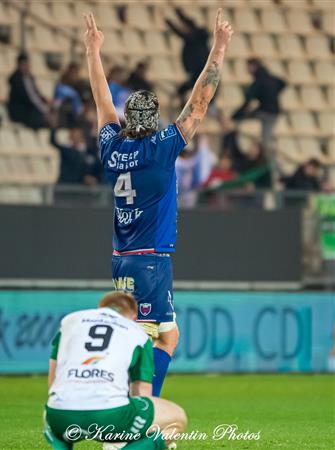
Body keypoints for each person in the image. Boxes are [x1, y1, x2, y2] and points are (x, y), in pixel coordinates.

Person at [84, 10, 233, 396]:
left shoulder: (111, 147)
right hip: (151, 260)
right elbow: (200, 101)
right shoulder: (161, 148)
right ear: (154, 121)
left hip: (121, 256)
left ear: (128, 118)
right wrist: (218, 47)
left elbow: (102, 102)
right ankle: (139, 408)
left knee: (158, 335)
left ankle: (130, 403)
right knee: (157, 341)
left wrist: (93, 52)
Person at [44, 291, 187, 450]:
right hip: (110, 416)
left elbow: (53, 379)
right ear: (134, 317)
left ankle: (56, 438)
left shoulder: (70, 321)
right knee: (178, 419)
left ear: (100, 308)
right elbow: (142, 394)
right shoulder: (138, 333)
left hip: (60, 416)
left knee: (52, 413)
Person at [232, 58, 286, 148]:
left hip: (266, 112)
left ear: (253, 66)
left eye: (248, 67)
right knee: (266, 137)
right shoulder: (271, 78)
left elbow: (247, 102)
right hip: (273, 111)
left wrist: (234, 117)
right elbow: (283, 83)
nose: (247, 70)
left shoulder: (258, 82)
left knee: (266, 139)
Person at [166, 9, 210, 105]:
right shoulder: (197, 34)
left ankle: (184, 105)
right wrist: (178, 12)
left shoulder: (194, 38)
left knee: (186, 88)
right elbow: (186, 23)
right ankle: (183, 102)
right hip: (199, 70)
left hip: (199, 70)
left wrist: (168, 21)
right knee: (186, 89)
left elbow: (180, 32)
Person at [7, 53, 51, 129]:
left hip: (30, 109)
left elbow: (36, 94)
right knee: (45, 119)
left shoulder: (29, 77)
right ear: (18, 64)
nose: (26, 66)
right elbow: (29, 98)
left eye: (27, 64)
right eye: (23, 64)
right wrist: (43, 109)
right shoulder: (16, 79)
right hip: (22, 111)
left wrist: (46, 103)